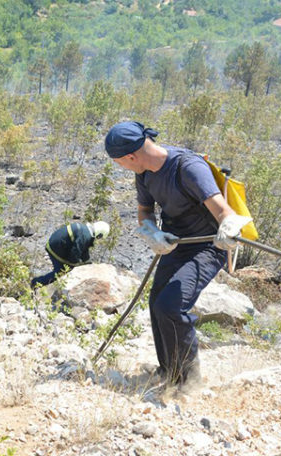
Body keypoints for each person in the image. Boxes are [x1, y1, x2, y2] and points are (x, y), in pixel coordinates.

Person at [104, 121, 251, 387]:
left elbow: (223, 212)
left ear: (131, 156)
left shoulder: (189, 167)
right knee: (156, 301)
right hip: (176, 243)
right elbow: (144, 211)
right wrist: (152, 232)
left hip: (208, 245)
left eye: (120, 163)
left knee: (171, 305)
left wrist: (228, 227)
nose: (121, 168)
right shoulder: (145, 172)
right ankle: (169, 371)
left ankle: (189, 381)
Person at [31, 221, 110, 287]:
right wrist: (73, 267)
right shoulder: (85, 235)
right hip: (55, 248)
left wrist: (88, 263)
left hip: (55, 245)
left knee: (64, 270)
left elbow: (84, 250)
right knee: (61, 272)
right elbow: (76, 252)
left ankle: (41, 284)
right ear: (100, 235)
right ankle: (36, 283)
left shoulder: (86, 231)